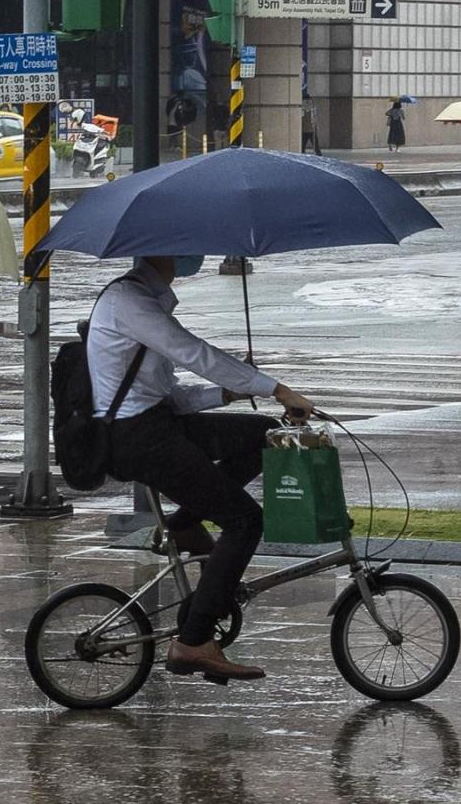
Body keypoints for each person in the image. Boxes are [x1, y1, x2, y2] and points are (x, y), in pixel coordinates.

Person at [91, 256, 316, 681]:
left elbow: (169, 396)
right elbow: (194, 352)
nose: (189, 257)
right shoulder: (129, 302)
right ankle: (193, 642)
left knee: (262, 434)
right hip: (140, 438)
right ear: (162, 252)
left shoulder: (142, 301)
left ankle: (185, 524)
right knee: (245, 522)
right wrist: (276, 387)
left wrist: (227, 394)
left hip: (157, 424)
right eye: (182, 248)